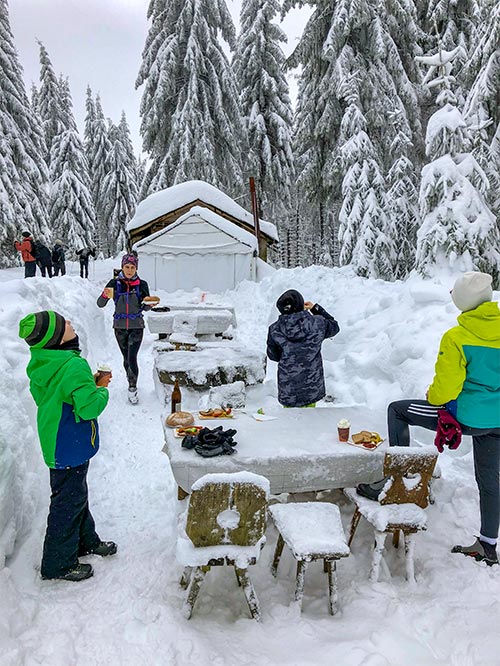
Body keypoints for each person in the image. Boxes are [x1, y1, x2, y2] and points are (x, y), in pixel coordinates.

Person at [357, 272, 500, 566]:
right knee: (489, 480)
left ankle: (398, 483)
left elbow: (443, 392)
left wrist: (433, 395)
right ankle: (488, 545)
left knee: (398, 410)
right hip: (497, 420)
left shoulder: (457, 337)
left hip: (466, 417)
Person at [19, 310, 117, 581]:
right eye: (65, 325)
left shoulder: (43, 362)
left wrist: (88, 386)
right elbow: (88, 408)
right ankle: (58, 564)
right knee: (66, 503)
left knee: (74, 494)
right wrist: (102, 389)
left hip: (56, 440)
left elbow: (59, 394)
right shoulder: (74, 365)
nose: (71, 323)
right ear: (57, 339)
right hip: (70, 442)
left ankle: (86, 541)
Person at [266, 289, 340, 407]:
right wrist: (315, 308)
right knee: (309, 421)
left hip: (288, 390)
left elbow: (273, 355)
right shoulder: (318, 323)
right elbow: (334, 326)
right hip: (312, 388)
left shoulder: (274, 329)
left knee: (290, 421)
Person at [97, 253, 152, 404]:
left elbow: (146, 307)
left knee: (132, 357)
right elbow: (100, 304)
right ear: (122, 267)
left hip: (136, 327)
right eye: (126, 267)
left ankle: (132, 388)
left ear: (136, 268)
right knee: (125, 357)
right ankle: (130, 378)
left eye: (132, 267)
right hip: (120, 327)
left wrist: (149, 305)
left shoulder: (142, 285)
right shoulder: (114, 283)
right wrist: (104, 295)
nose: (129, 270)